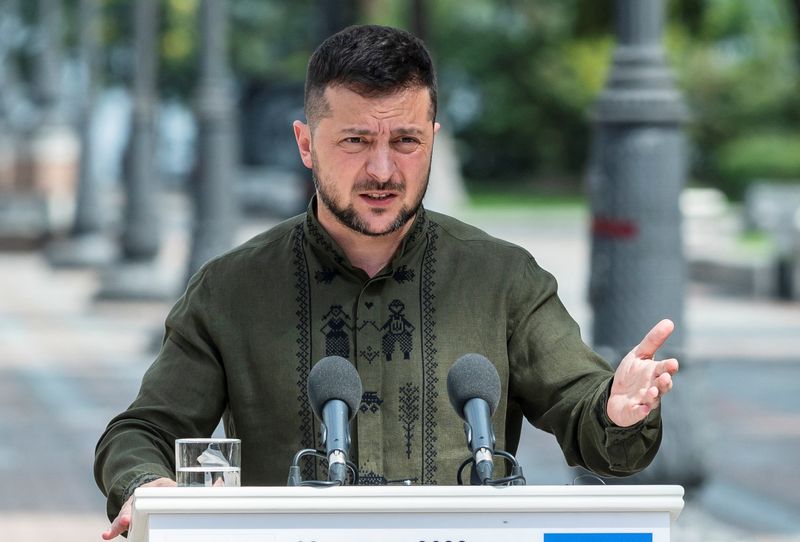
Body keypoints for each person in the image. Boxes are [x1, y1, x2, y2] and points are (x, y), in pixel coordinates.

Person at [95, 24, 679, 539]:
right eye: (355, 141)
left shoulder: (502, 278)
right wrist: (150, 487)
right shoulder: (232, 289)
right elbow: (143, 431)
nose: (382, 170)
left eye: (405, 141)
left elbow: (589, 421)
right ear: (306, 144)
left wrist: (618, 411)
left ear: (432, 140)